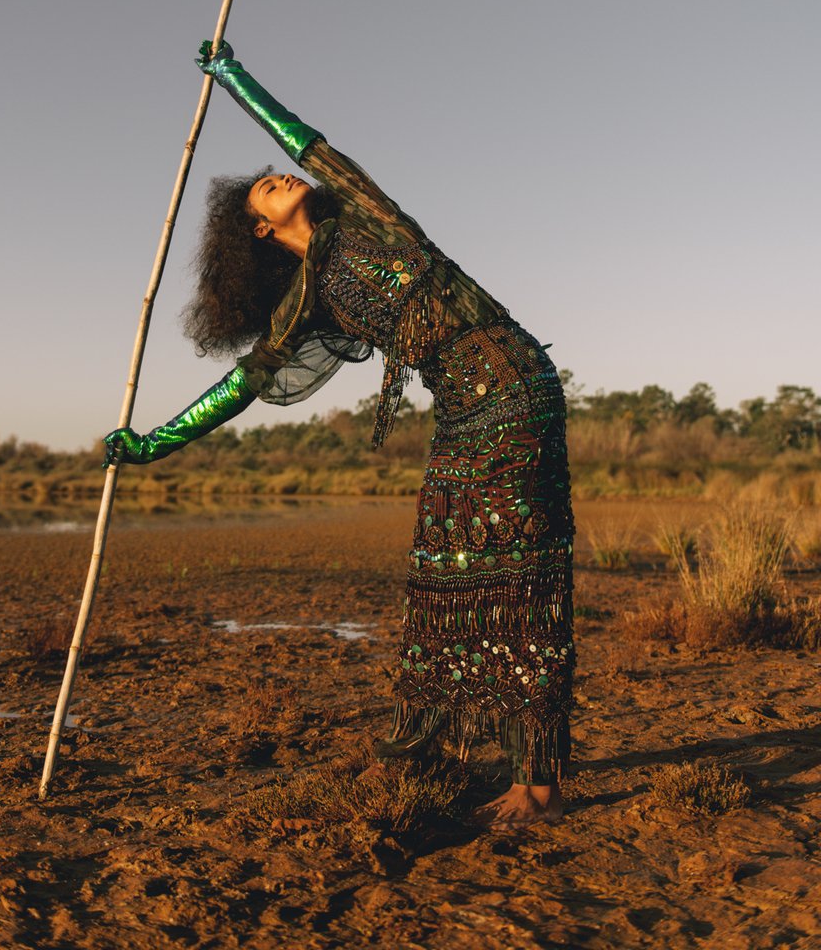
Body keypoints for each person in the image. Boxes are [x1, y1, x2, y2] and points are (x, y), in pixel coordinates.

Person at [104, 41, 575, 830]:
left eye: (278, 174)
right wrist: (152, 443)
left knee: (523, 585)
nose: (281, 178)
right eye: (265, 189)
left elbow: (304, 138)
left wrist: (232, 78)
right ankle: (510, 767)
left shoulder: (366, 212)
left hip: (514, 382)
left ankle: (544, 785)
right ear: (258, 230)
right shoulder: (309, 303)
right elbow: (242, 386)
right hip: (460, 406)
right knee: (459, 578)